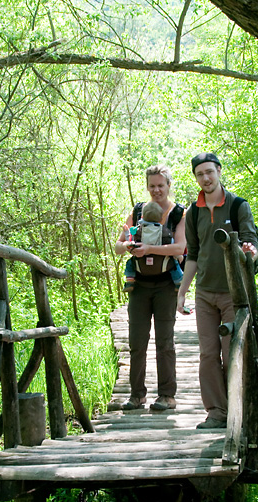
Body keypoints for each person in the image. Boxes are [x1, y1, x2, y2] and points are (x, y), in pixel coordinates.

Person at [177, 152, 258, 429]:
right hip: (204, 294)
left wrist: (250, 253)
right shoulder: (194, 211)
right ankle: (216, 412)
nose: (206, 178)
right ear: (196, 177)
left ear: (219, 171)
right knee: (208, 354)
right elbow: (193, 254)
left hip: (233, 295)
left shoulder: (238, 206)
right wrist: (182, 291)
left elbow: (252, 245)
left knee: (232, 353)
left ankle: (239, 409)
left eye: (210, 172)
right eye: (200, 174)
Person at [115, 166, 187, 412]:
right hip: (140, 287)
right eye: (152, 185)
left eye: (161, 185)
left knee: (164, 342)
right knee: (137, 341)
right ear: (147, 186)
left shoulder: (179, 214)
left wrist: (149, 249)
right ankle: (137, 396)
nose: (156, 190)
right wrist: (129, 245)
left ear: (169, 185)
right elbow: (117, 246)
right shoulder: (138, 211)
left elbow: (180, 248)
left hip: (166, 285)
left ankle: (167, 395)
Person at [122, 201, 184, 292]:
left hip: (141, 264)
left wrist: (127, 232)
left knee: (130, 263)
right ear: (160, 219)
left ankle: (130, 280)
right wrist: (178, 255)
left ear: (142, 216)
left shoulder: (137, 230)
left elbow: (130, 241)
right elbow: (171, 244)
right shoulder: (165, 231)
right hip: (162, 265)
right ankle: (179, 281)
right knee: (174, 264)